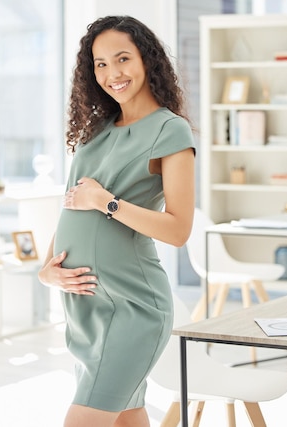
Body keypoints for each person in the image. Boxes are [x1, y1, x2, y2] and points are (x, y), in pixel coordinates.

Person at [37, 15, 195, 427]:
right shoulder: (96, 130)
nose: (112, 73)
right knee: (127, 417)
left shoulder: (170, 131)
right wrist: (46, 269)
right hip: (85, 310)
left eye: (122, 58)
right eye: (100, 64)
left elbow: (178, 229)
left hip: (132, 307)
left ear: (147, 60)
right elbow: (72, 205)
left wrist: (107, 203)